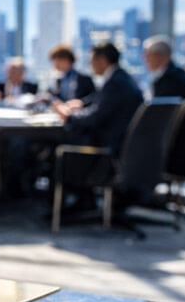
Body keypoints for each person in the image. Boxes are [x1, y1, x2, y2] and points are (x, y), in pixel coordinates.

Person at [53, 42, 144, 211]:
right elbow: (99, 101)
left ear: (102, 60)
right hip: (125, 146)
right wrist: (80, 104)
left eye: (91, 60)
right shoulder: (120, 78)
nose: (90, 65)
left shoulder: (116, 82)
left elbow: (96, 118)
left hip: (108, 148)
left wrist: (68, 116)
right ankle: (83, 200)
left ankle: (80, 201)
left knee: (59, 144)